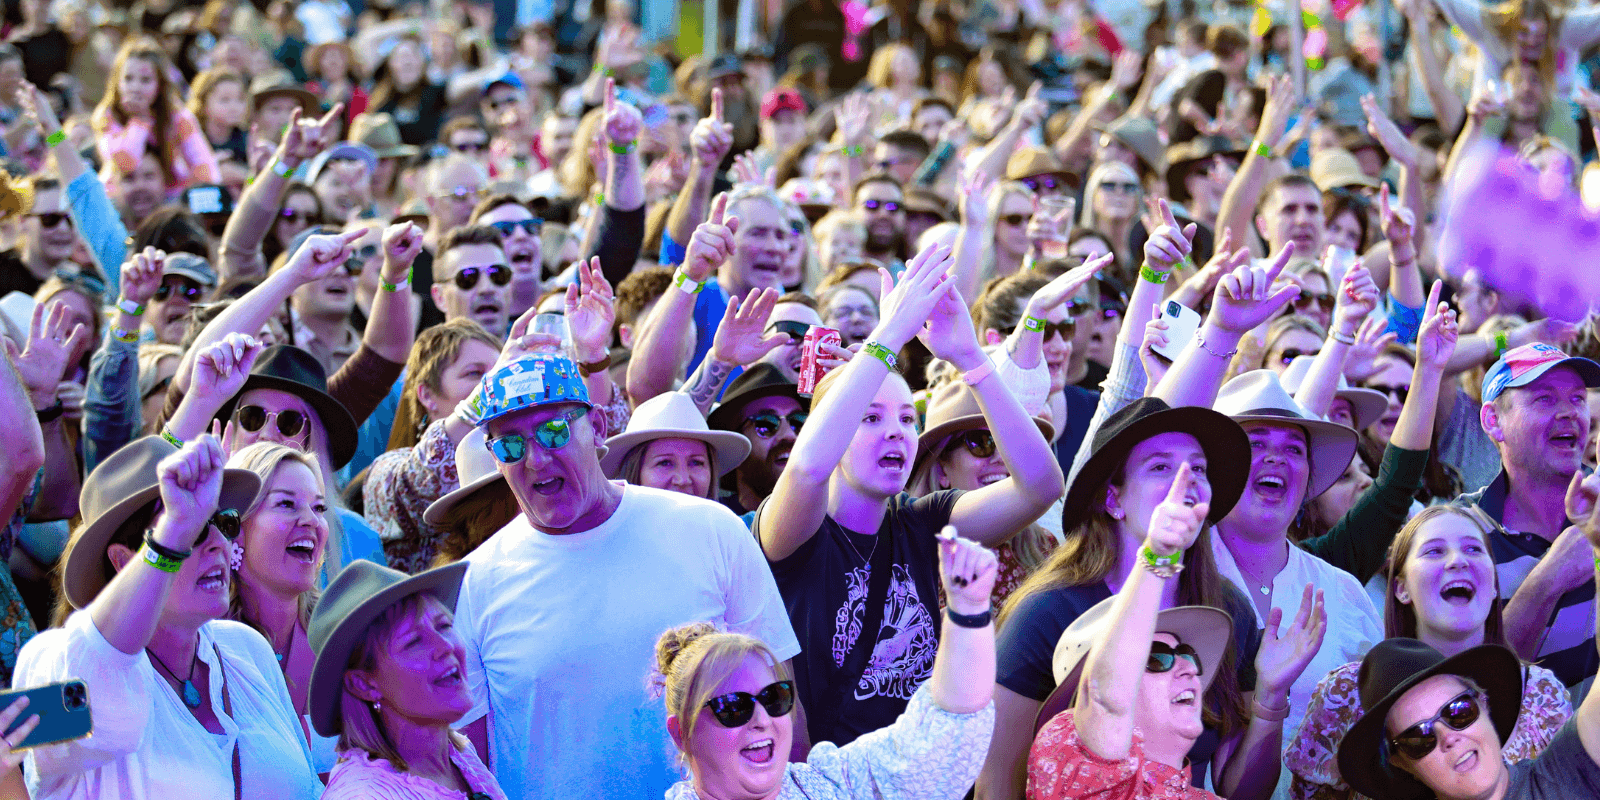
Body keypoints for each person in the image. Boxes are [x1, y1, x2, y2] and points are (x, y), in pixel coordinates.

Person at [453, 338, 799, 799]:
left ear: (596, 426)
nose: (536, 458)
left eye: (554, 431)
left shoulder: (710, 529)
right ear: (494, 457)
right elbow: (470, 764)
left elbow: (781, 705)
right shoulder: (475, 582)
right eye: (512, 445)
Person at [754, 241, 1063, 747]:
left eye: (905, 418)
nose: (895, 432)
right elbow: (809, 468)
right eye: (870, 417)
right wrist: (889, 334)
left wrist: (970, 357)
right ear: (831, 428)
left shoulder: (923, 523)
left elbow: (1040, 487)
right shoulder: (796, 530)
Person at [14, 435, 322, 798]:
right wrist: (172, 535)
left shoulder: (247, 647)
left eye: (221, 522)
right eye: (190, 531)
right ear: (124, 561)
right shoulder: (44, 663)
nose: (216, 543)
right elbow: (87, 676)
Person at [1026, 461, 1325, 800]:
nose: (1189, 667)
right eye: (1156, 657)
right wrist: (1158, 557)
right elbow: (1106, 698)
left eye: (1189, 655)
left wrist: (1271, 691)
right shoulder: (1076, 763)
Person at [658, 530, 998, 800]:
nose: (763, 720)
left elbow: (937, 742)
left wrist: (969, 610)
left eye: (775, 698)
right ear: (681, 734)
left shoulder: (830, 783)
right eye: (733, 708)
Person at [1286, 505, 1573, 800]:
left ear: (1494, 588)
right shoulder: (1346, 692)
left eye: (1474, 549)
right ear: (1401, 588)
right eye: (1434, 551)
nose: (1457, 561)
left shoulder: (1542, 694)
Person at [308, 560, 507, 800]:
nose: (445, 646)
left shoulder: (458, 754)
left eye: (443, 626)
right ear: (364, 684)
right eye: (414, 641)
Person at [225, 442, 338, 770]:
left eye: (318, 508)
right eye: (287, 504)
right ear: (236, 526)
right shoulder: (199, 644)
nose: (311, 521)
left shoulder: (341, 633)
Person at [92, 37, 220, 195]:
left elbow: (205, 166)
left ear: (160, 85)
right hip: (118, 197)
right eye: (128, 79)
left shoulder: (178, 116)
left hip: (168, 198)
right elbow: (125, 163)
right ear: (117, 82)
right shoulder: (106, 115)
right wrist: (140, 121)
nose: (135, 88)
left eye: (145, 80)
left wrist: (183, 198)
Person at [601, 391, 750, 499]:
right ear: (633, 474)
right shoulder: (610, 542)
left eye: (696, 462)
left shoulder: (734, 536)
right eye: (665, 463)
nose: (683, 479)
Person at [707, 364, 810, 517]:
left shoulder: (830, 519)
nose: (789, 435)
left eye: (797, 422)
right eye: (766, 424)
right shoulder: (714, 520)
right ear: (734, 446)